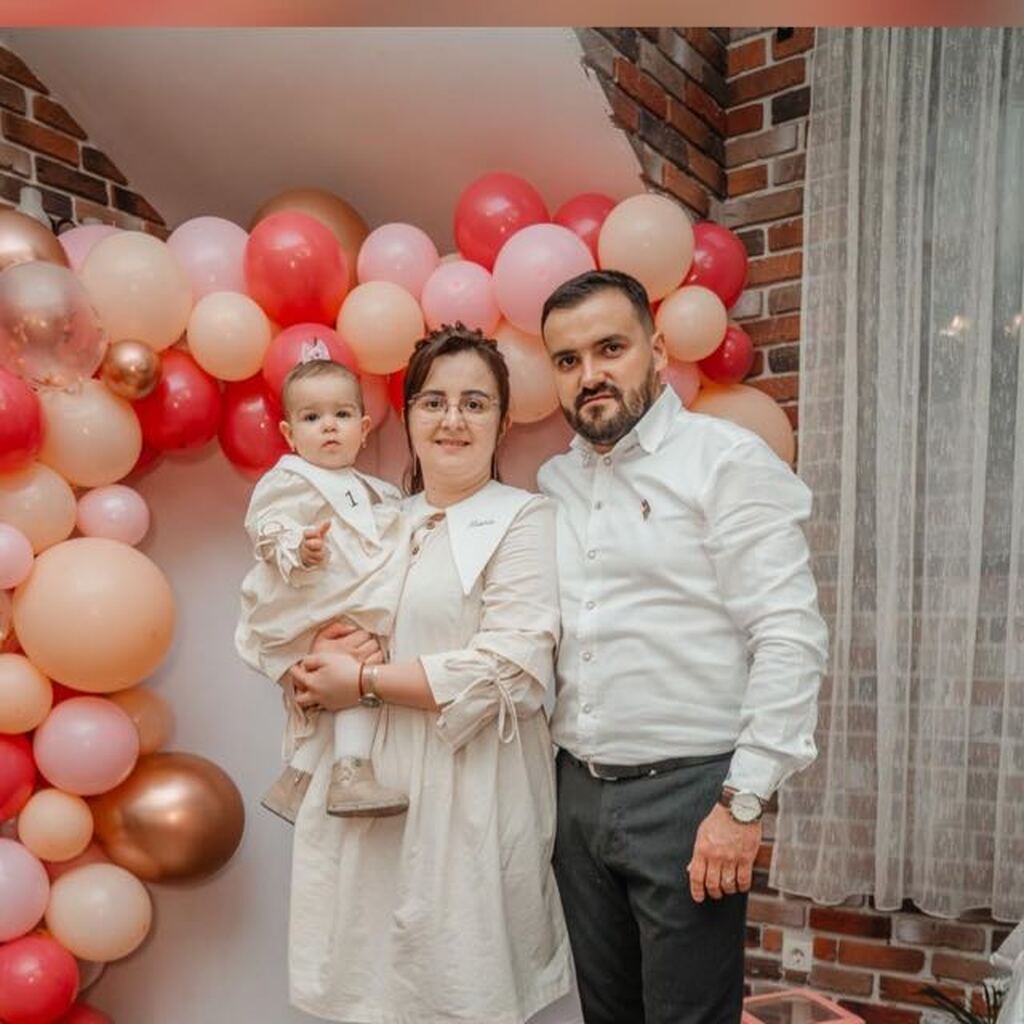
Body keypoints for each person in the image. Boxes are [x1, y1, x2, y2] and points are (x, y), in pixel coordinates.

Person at [536, 269, 828, 1024]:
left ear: (658, 350)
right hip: (576, 799)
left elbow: (789, 634)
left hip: (691, 798)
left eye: (610, 348)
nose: (590, 375)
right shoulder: (553, 483)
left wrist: (743, 801)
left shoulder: (724, 460)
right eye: (567, 360)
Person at [284, 325, 572, 1024]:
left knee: (460, 987)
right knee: (370, 994)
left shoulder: (524, 519)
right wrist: (310, 666)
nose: (452, 420)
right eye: (434, 401)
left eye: (474, 403)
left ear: (503, 421)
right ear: (407, 415)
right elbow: (305, 617)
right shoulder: (375, 520)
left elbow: (512, 670)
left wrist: (364, 684)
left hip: (468, 795)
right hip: (367, 798)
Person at [235, 354, 410, 822]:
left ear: (364, 428)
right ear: (290, 434)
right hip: (316, 600)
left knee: (351, 674)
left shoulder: (376, 491)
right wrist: (299, 546)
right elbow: (267, 526)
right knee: (356, 675)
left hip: (350, 599)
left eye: (342, 414)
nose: (329, 426)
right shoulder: (290, 479)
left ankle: (298, 777)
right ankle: (351, 771)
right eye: (312, 418)